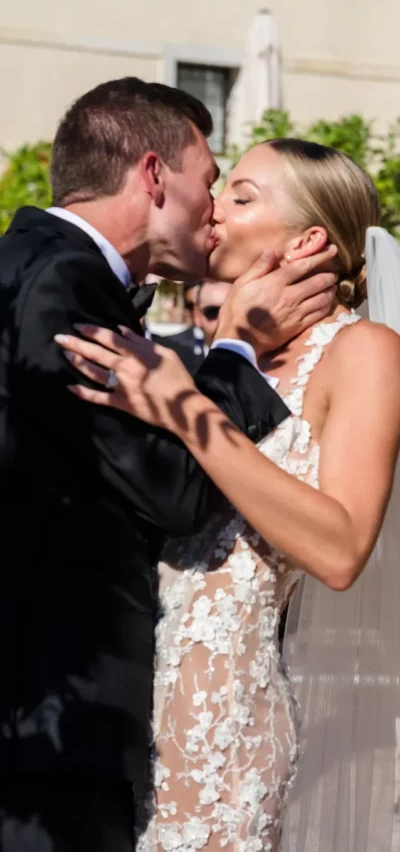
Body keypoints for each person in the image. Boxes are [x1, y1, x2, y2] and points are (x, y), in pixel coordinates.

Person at [58, 139, 400, 852]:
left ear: (310, 239)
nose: (214, 206)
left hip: (219, 717)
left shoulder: (363, 350)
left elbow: (341, 548)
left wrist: (187, 411)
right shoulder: (233, 348)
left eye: (242, 195)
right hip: (120, 700)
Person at [0, 79, 340, 852]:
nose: (213, 210)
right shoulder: (62, 283)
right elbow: (177, 490)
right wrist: (235, 351)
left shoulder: (25, 263)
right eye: (212, 182)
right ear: (154, 176)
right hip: (52, 723)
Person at [155, 279, 231, 373]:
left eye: (230, 311)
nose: (223, 319)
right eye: (213, 312)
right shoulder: (170, 358)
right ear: (197, 316)